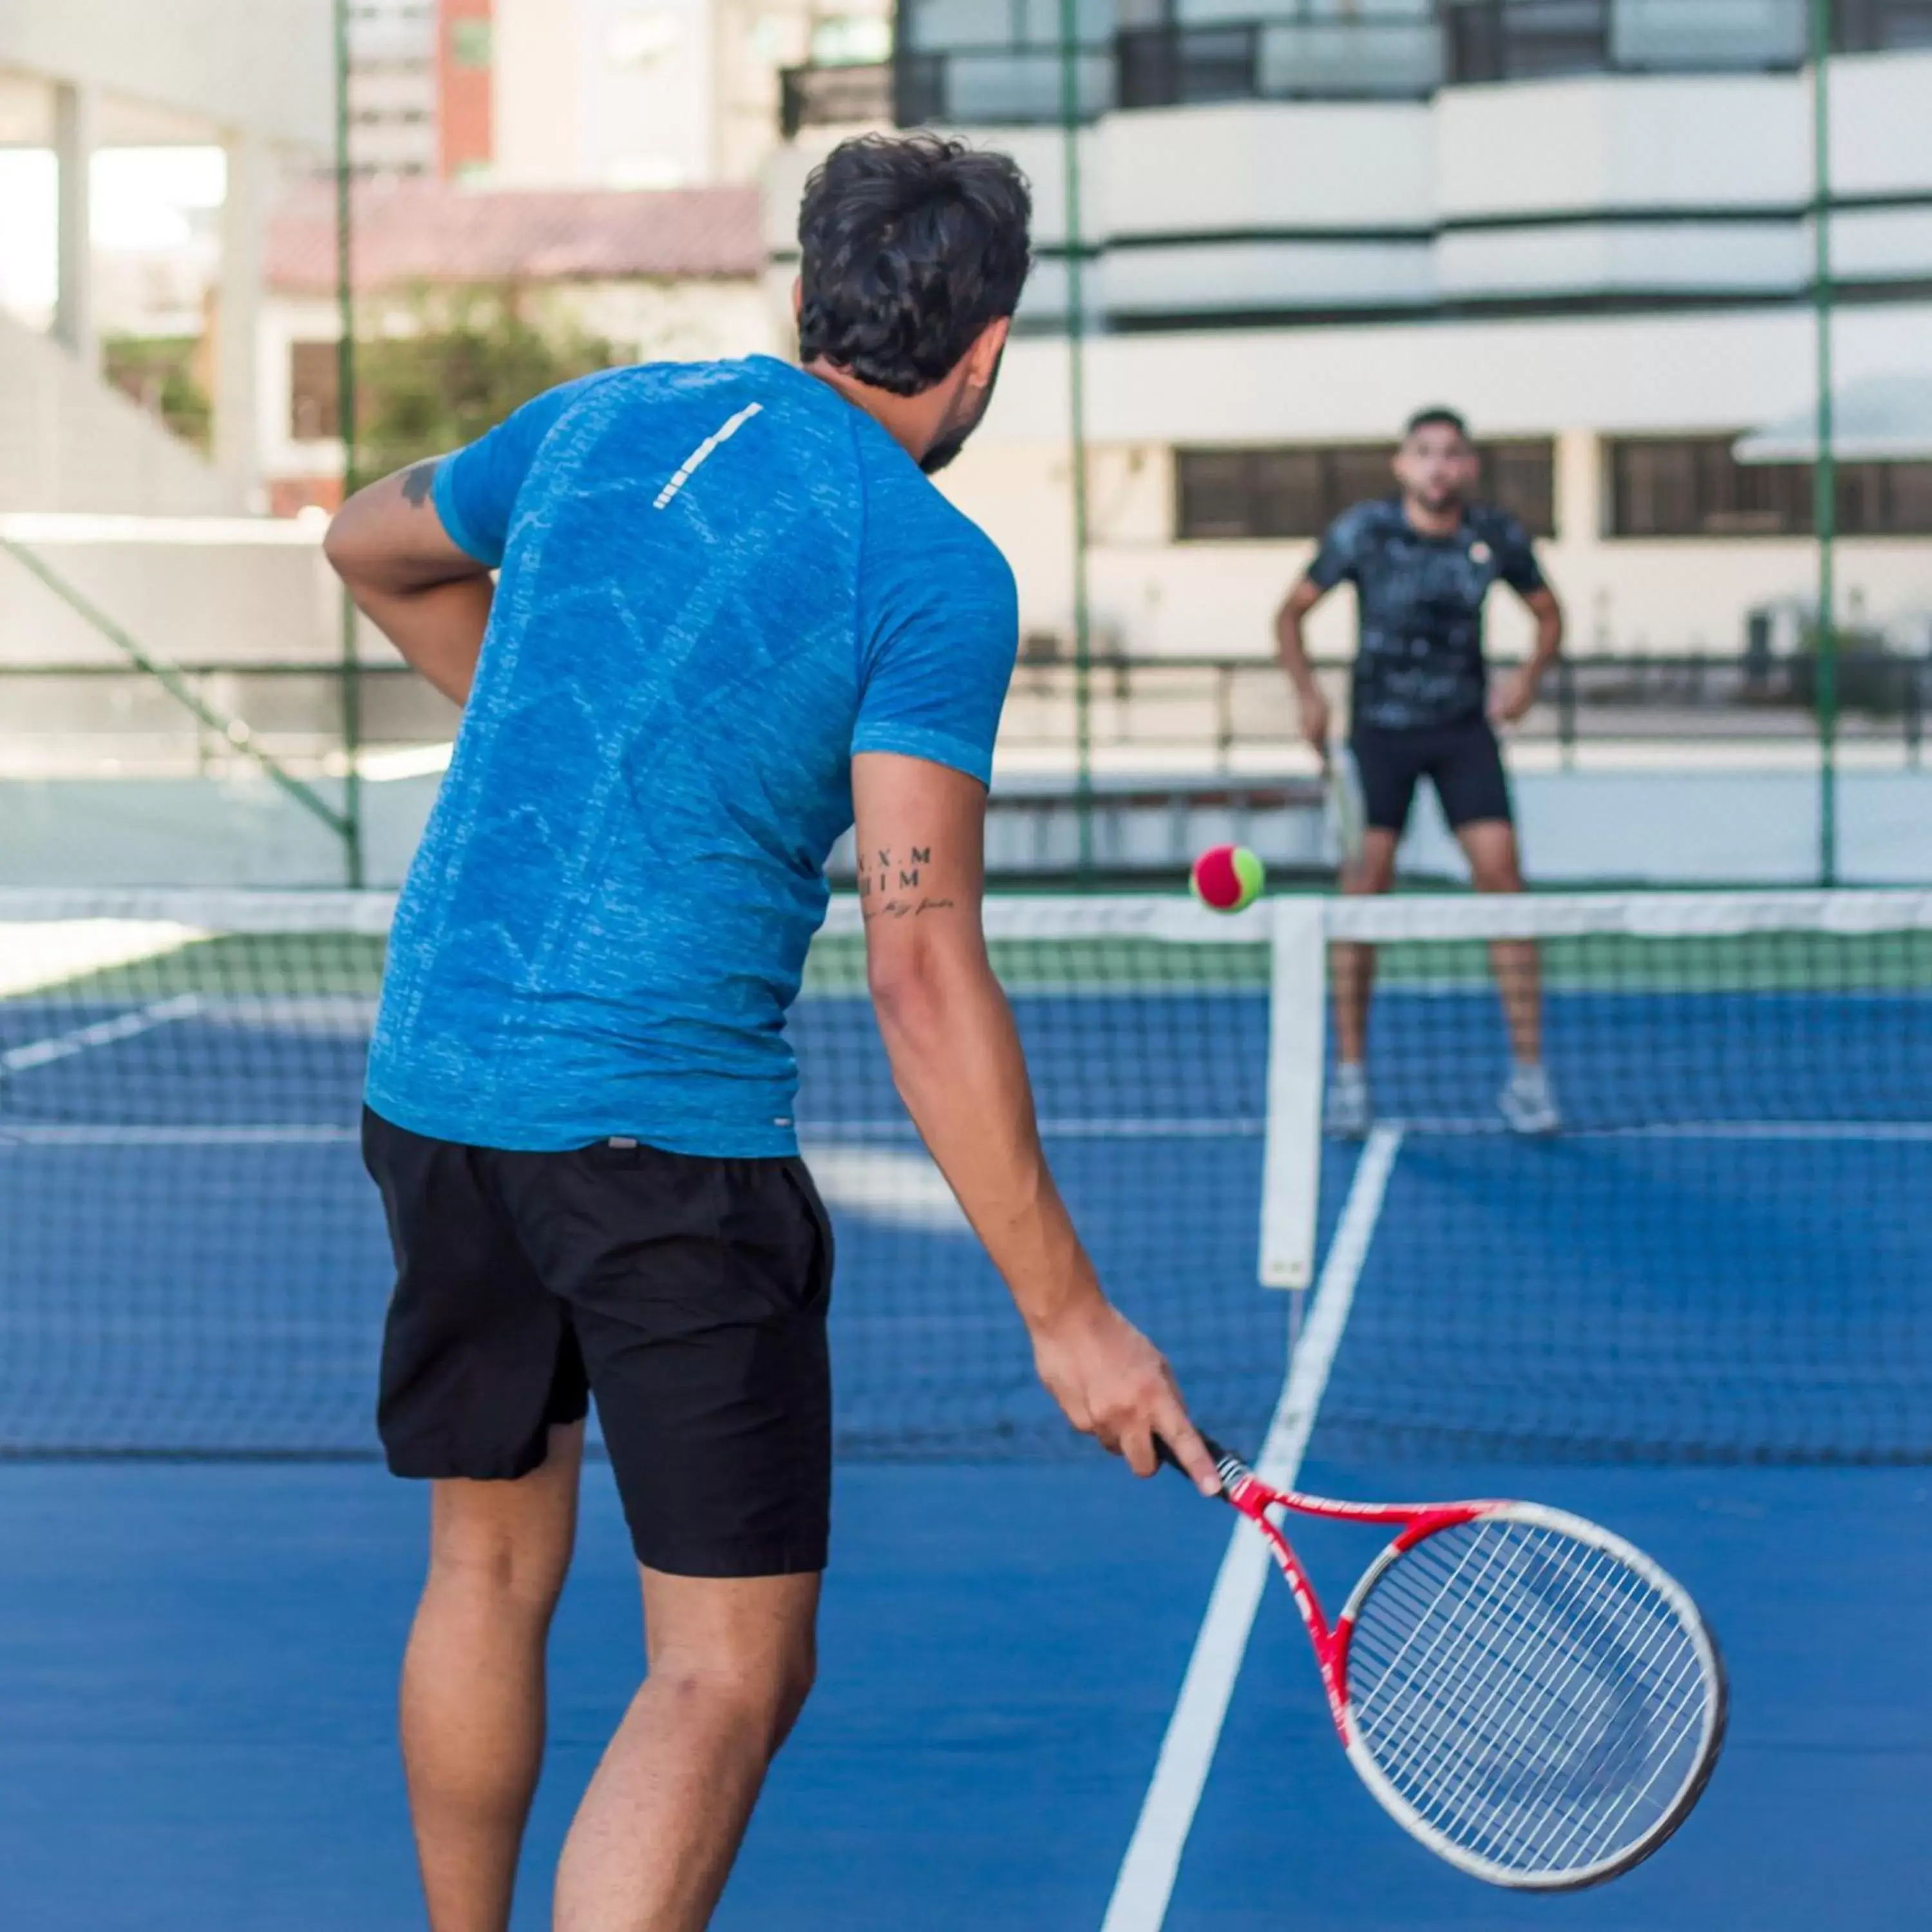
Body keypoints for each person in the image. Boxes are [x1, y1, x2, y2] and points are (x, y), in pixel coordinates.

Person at [323, 132, 1218, 1932]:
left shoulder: (594, 421)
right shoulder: (933, 573)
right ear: (984, 354)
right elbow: (920, 966)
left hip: (434, 1080)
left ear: (805, 299)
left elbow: (364, 542)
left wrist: (579, 728)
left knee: (487, 1571)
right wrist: (1070, 1316)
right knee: (724, 1669)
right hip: (655, 1142)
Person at [1274, 406, 1566, 1139]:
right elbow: (1290, 614)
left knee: (1506, 885)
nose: (1439, 466)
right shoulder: (1363, 532)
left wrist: (1527, 680)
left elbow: (1549, 613)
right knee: (1362, 893)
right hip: (1382, 737)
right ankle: (1349, 1078)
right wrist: (1309, 696)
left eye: (1453, 454)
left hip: (1465, 733)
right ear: (1403, 465)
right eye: (1425, 453)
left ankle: (1529, 1079)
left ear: (1469, 467)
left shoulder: (1494, 536)